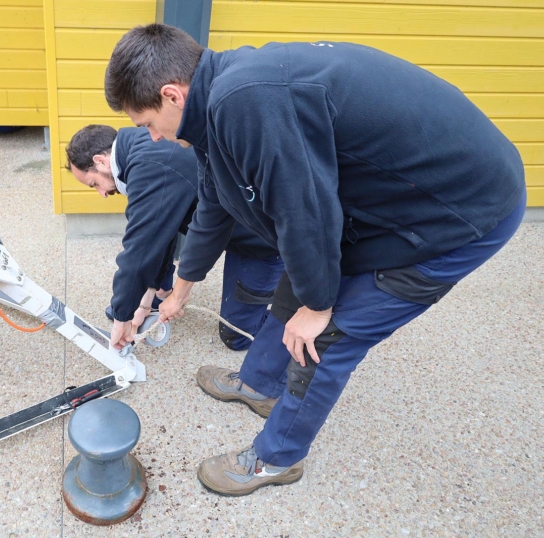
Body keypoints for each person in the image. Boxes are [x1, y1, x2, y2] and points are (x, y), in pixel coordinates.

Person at [104, 24, 526, 496]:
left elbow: (304, 212)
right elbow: (215, 203)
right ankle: (259, 382)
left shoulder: (246, 102)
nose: (153, 139)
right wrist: (180, 288)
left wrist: (320, 307)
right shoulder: (216, 106)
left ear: (172, 94)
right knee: (301, 290)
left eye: (146, 125)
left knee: (325, 334)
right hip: (390, 200)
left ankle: (276, 458)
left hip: (460, 209)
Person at [65, 124, 283, 354]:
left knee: (237, 336)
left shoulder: (153, 166)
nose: (102, 194)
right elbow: (159, 233)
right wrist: (142, 303)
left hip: (263, 241)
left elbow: (140, 250)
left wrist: (123, 317)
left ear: (100, 161)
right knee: (144, 278)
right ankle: (158, 295)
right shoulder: (142, 148)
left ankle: (306, 318)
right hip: (231, 227)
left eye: (94, 184)